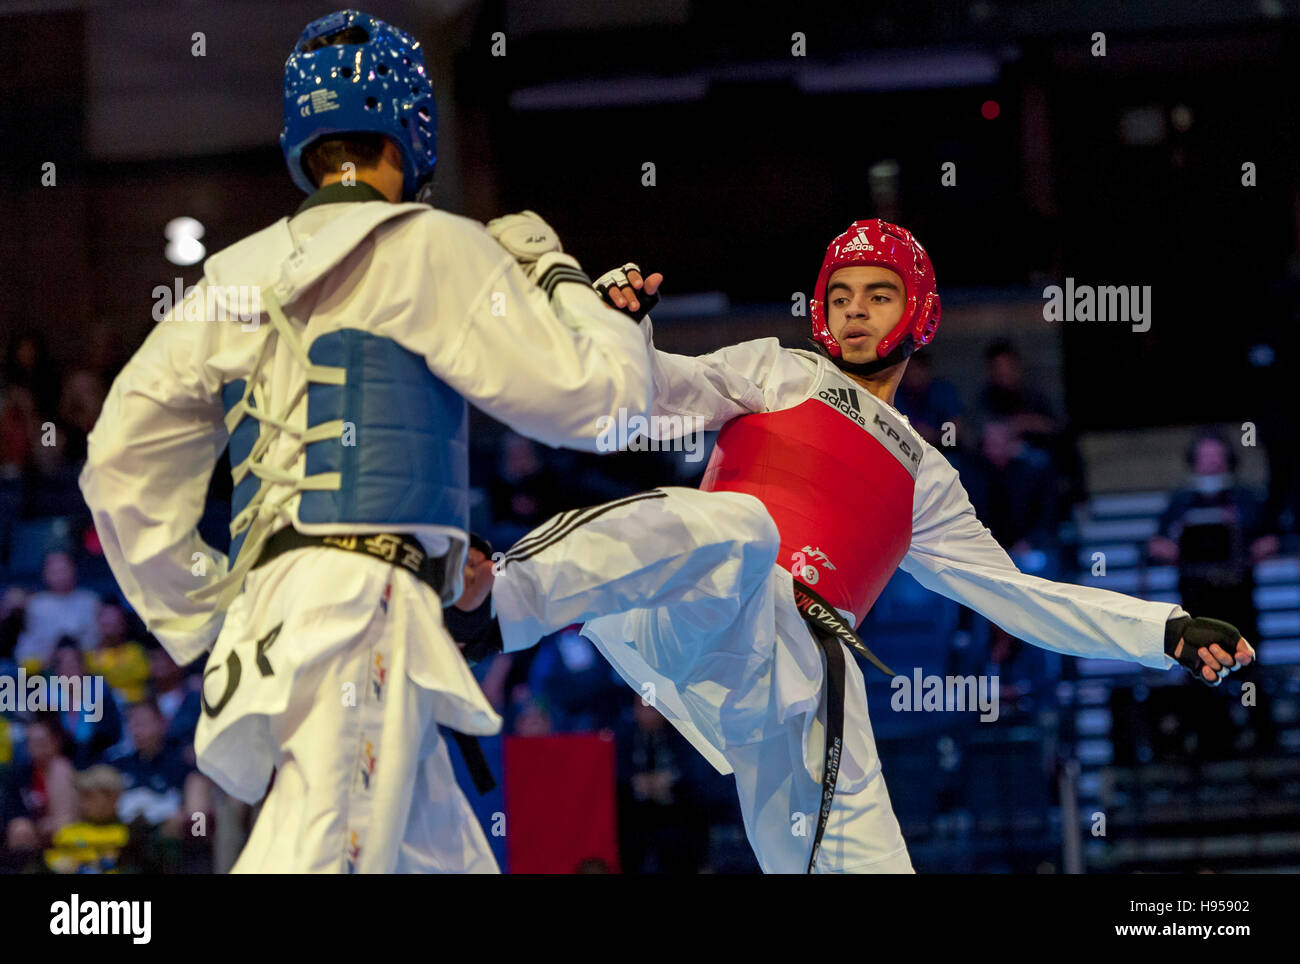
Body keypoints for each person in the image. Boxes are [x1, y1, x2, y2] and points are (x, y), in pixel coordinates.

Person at [469, 220, 1255, 873]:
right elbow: (637, 401)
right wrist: (623, 324)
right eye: (838, 296)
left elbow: (1024, 600)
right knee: (740, 528)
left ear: (920, 312)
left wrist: (1165, 631)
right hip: (698, 599)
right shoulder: (780, 371)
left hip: (795, 679)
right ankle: (493, 599)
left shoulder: (926, 475)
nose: (853, 311)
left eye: (878, 295)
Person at [78, 9, 650, 873]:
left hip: (289, 618)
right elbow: (601, 406)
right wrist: (563, 280)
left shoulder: (232, 274)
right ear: (410, 129)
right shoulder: (432, 246)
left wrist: (207, 612)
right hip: (361, 611)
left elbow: (117, 460)